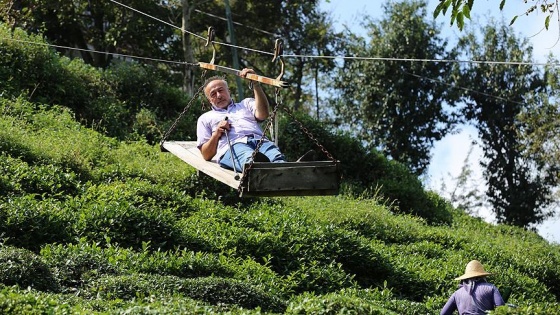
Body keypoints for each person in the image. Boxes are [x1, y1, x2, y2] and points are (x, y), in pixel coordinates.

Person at [196, 68, 292, 171]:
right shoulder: (205, 118)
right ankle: (262, 169)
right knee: (251, 160)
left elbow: (263, 114)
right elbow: (206, 155)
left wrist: (255, 83)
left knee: (277, 159)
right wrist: (217, 134)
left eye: (220, 90)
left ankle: (293, 171)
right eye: (213, 94)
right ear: (209, 100)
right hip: (233, 146)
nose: (218, 96)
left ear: (229, 91)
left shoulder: (246, 104)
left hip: (260, 141)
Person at [441, 260, 505, 315]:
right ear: (482, 276)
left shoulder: (457, 294)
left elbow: (443, 313)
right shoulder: (491, 288)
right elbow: (501, 308)